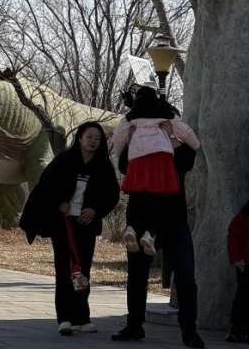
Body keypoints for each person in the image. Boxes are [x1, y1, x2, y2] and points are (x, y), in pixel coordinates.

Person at [113, 88, 204, 348]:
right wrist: (133, 141)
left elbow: (187, 161)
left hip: (174, 219)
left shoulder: (173, 134)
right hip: (140, 220)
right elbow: (123, 165)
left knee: (185, 275)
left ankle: (189, 330)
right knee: (137, 275)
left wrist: (172, 139)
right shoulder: (135, 134)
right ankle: (134, 326)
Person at [19, 122, 120, 336]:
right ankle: (64, 318)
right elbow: (46, 186)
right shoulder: (64, 160)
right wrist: (59, 203)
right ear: (80, 138)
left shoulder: (103, 165)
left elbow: (112, 194)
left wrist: (96, 210)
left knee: (83, 270)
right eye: (89, 137)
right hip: (63, 224)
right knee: (64, 269)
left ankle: (82, 318)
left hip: (87, 224)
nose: (93, 141)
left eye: (97, 138)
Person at [112, 86, 201, 255]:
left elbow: (118, 135)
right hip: (161, 160)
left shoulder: (131, 117)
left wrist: (120, 149)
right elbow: (186, 132)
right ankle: (149, 234)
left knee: (136, 196)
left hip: (137, 159)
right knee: (155, 197)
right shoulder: (166, 115)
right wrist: (194, 144)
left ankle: (131, 228)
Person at [228, 200, 249, 343]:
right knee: (243, 296)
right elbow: (234, 236)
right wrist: (236, 258)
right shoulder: (243, 216)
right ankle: (236, 328)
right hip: (245, 264)